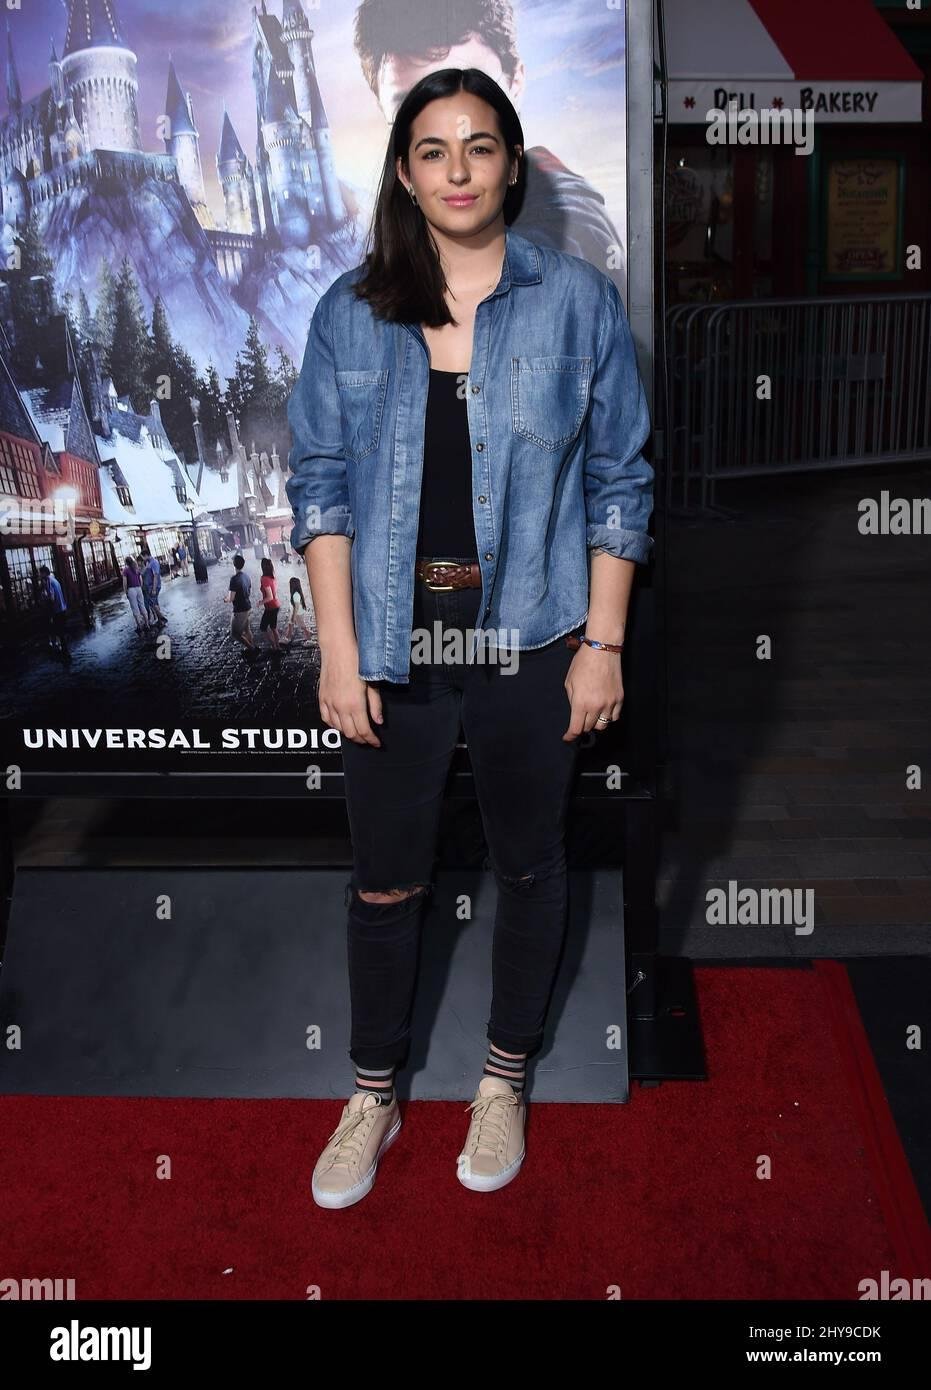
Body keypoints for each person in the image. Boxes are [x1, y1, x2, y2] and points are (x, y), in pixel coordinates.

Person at [286, 68, 653, 1209]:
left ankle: (503, 1080)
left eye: (479, 147)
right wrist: (337, 650)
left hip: (531, 638)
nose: (458, 171)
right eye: (434, 150)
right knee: (385, 884)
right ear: (404, 172)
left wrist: (603, 644)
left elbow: (621, 479)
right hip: (393, 646)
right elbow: (320, 487)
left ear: (511, 164)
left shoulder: (576, 301)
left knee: (530, 865)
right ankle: (373, 1094)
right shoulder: (350, 310)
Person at [224, 553, 255, 652]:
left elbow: (231, 598)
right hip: (248, 606)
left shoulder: (234, 579)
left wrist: (226, 599)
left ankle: (252, 649)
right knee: (247, 629)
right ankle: (252, 647)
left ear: (234, 564)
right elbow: (248, 590)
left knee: (235, 634)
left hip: (240, 610)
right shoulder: (246, 576)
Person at [38, 564, 69, 655]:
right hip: (62, 607)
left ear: (44, 573)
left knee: (58, 630)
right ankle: (65, 650)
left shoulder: (49, 582)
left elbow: (52, 598)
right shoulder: (54, 580)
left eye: (40, 573)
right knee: (61, 630)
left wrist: (44, 598)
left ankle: (63, 652)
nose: (40, 575)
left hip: (57, 610)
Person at [258, 556, 282, 652]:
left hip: (271, 607)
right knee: (273, 628)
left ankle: (274, 646)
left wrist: (261, 602)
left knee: (263, 627)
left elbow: (270, 596)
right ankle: (278, 647)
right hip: (275, 605)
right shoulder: (272, 577)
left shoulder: (264, 579)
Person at [122, 555, 148, 632]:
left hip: (131, 590)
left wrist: (126, 592)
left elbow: (125, 582)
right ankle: (147, 624)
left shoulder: (125, 570)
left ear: (126, 562)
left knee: (135, 608)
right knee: (142, 606)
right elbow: (141, 580)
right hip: (138, 588)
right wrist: (140, 587)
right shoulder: (136, 568)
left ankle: (139, 626)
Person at [140, 551, 167, 625]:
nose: (143, 559)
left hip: (154, 586)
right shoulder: (149, 563)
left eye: (143, 557)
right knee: (154, 602)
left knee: (153, 602)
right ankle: (160, 619)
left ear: (146, 555)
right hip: (150, 586)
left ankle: (162, 618)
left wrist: (154, 589)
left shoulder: (154, 562)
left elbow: (155, 575)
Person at [283, 577, 312, 643]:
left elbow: (296, 606)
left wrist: (293, 616)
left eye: (290, 583)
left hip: (297, 614)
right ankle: (287, 638)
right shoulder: (296, 594)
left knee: (303, 627)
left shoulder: (296, 595)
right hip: (295, 613)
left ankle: (309, 639)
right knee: (290, 625)